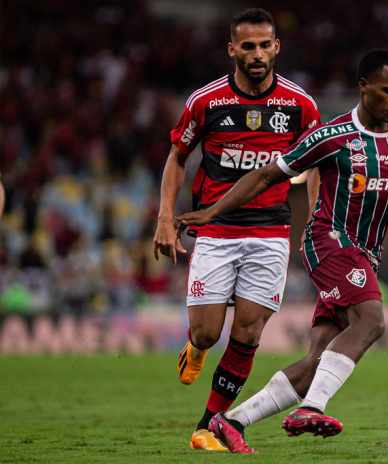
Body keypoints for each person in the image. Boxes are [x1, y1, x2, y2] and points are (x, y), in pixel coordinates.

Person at [176, 49, 388, 454]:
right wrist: (212, 211)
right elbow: (267, 174)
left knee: (318, 359)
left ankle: (229, 422)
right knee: (371, 321)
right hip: (330, 241)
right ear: (364, 87)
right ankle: (312, 407)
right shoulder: (331, 138)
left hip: (365, 253)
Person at [153, 8, 321, 451]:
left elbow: (316, 162)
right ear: (232, 49)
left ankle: (207, 427)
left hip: (269, 232)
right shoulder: (206, 102)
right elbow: (177, 157)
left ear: (277, 48)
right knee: (209, 332)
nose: (258, 54)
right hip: (215, 228)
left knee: (248, 334)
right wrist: (165, 218)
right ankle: (196, 347)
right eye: (248, 46)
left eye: (266, 45)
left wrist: (319, 218)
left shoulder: (299, 105)